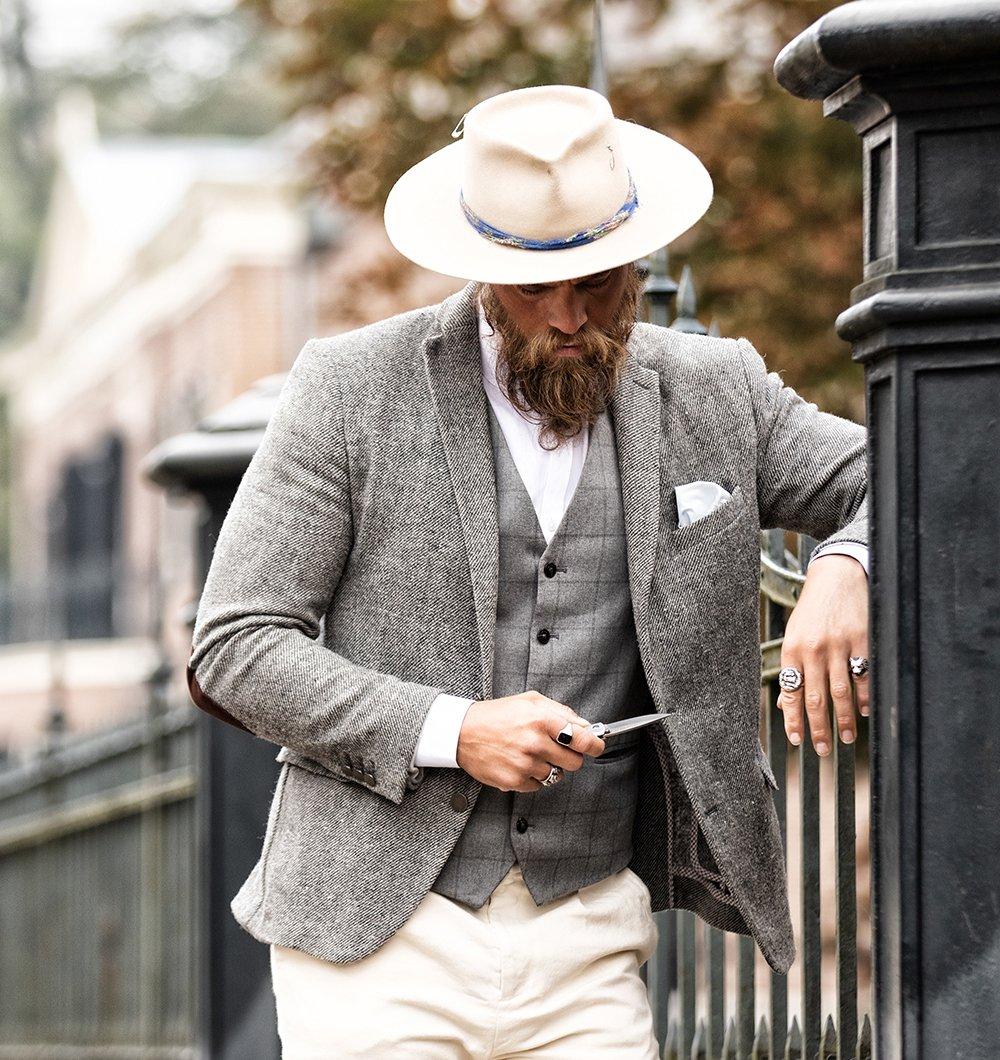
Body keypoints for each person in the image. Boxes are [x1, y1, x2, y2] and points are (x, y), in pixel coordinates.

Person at [186, 84, 870, 1058]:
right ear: (481, 269)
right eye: (531, 287)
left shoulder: (717, 391)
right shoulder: (350, 389)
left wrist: (847, 563)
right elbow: (235, 646)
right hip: (376, 944)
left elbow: (913, 471)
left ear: (635, 256)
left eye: (595, 282)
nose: (567, 317)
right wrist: (451, 730)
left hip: (589, 938)